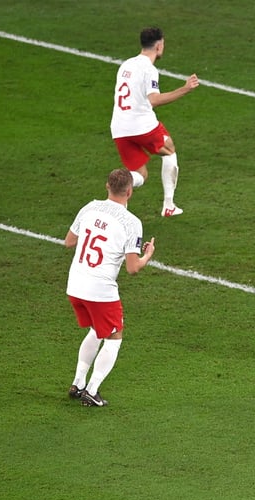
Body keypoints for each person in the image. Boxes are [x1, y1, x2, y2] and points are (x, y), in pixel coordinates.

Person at [65, 169, 156, 407]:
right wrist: (147, 255)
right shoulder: (131, 222)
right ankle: (92, 391)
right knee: (114, 337)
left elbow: (69, 241)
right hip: (100, 290)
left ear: (107, 186)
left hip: (75, 284)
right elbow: (133, 268)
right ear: (129, 191)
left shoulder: (89, 207)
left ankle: (78, 384)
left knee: (97, 330)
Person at [110, 26, 200, 217]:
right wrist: (185, 89)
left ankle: (115, 188)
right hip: (141, 125)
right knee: (169, 149)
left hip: (119, 128)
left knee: (140, 175)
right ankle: (169, 205)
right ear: (159, 45)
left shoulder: (126, 65)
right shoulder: (149, 69)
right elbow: (154, 100)